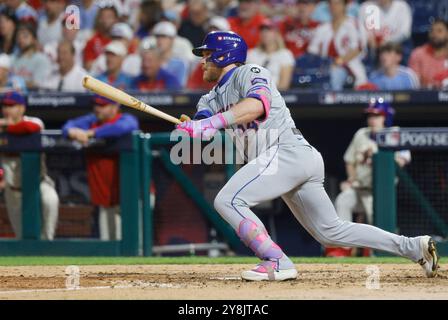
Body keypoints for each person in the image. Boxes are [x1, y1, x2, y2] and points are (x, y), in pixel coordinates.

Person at [176, 30, 439, 281]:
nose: (203, 61)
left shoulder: (250, 72)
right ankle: (413, 247)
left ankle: (276, 261)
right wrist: (194, 128)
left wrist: (211, 123)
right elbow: (205, 125)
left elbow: (257, 105)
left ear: (223, 55)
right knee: (330, 231)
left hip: (287, 150)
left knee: (228, 200)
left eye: (207, 54)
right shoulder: (209, 99)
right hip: (287, 159)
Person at [332, 99, 411, 256]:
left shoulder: (395, 133)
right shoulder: (362, 134)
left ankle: (381, 253)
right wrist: (351, 179)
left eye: (377, 115)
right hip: (359, 189)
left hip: (380, 194)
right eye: (370, 115)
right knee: (343, 201)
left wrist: (376, 157)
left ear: (385, 118)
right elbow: (349, 160)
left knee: (380, 225)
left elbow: (403, 160)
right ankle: (343, 249)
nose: (372, 119)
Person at [62, 94, 139, 241]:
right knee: (108, 243)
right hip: (105, 197)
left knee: (134, 243)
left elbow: (126, 127)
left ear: (115, 106)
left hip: (132, 196)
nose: (97, 109)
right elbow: (68, 126)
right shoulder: (92, 121)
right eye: (96, 105)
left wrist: (92, 133)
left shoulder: (125, 119)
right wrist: (72, 132)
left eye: (103, 105)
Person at [0, 91, 59, 240]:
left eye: (12, 106)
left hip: (39, 183)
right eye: (5, 106)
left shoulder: (35, 121)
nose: (7, 109)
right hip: (13, 190)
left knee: (51, 201)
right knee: (22, 237)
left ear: (22, 108)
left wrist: (7, 126)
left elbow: (30, 128)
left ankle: (48, 244)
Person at [308, 0, 367, 90]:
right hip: (324, 67)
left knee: (335, 73)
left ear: (345, 5)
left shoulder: (353, 23)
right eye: (331, 3)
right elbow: (312, 51)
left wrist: (338, 61)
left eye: (337, 3)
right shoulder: (322, 28)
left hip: (350, 66)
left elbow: (358, 48)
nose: (333, 6)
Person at [247, 19, 295, 90]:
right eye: (262, 30)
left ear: (276, 33)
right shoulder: (251, 54)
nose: (265, 33)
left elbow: (284, 85)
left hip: (275, 95)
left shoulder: (285, 54)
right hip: (251, 94)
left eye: (269, 30)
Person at [11, 22, 52, 90]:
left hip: (32, 98)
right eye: (18, 36)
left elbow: (38, 84)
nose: (21, 39)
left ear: (34, 39)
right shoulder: (12, 59)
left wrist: (18, 83)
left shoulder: (41, 59)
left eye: (25, 36)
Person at [409, 19, 448, 89]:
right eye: (432, 31)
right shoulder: (418, 54)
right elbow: (414, 84)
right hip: (426, 97)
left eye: (439, 31)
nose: (434, 34)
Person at [83, 4, 119, 71]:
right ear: (99, 20)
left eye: (109, 17)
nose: (105, 20)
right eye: (103, 17)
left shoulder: (121, 40)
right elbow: (88, 66)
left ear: (116, 20)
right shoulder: (92, 41)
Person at [152, 21, 189, 86]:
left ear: (172, 39)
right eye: (157, 36)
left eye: (164, 36)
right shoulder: (150, 61)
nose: (160, 40)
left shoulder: (180, 63)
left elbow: (180, 86)